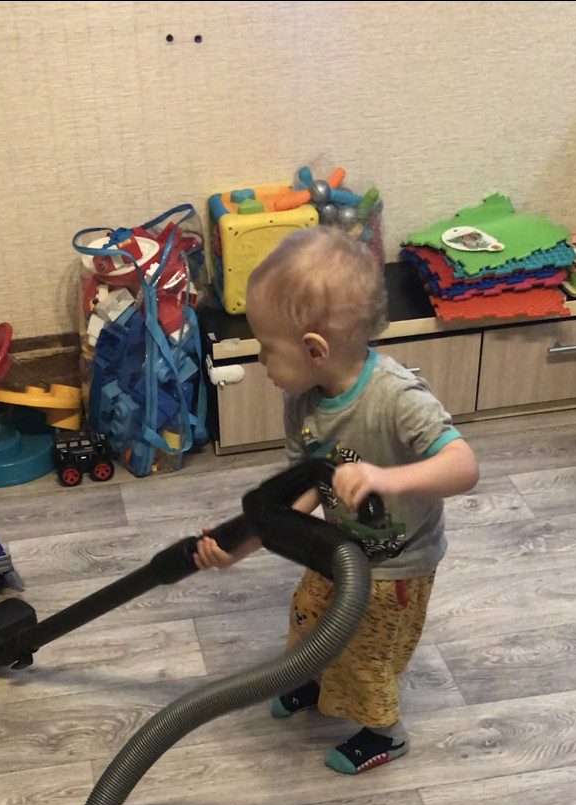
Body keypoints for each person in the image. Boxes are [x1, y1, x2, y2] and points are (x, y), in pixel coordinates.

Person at [195, 228, 479, 775]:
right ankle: (313, 678)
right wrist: (239, 545)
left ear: (314, 350)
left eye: (266, 346)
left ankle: (384, 732)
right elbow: (300, 493)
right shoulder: (302, 401)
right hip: (336, 546)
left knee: (368, 652)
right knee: (309, 616)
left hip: (398, 564)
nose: (260, 358)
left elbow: (464, 467)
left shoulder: (397, 398)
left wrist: (385, 478)